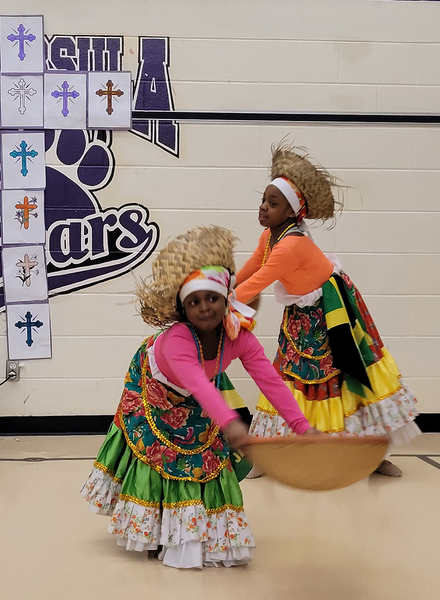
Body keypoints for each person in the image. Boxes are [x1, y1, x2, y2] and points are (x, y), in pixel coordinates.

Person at [81, 225, 319, 570]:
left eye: (212, 298)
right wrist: (233, 426)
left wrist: (302, 426)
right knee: (158, 455)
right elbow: (199, 383)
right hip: (154, 387)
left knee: (200, 456)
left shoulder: (237, 335)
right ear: (183, 308)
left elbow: (270, 380)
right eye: (193, 301)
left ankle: (190, 529)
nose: (204, 307)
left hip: (195, 394)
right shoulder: (179, 338)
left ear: (226, 299)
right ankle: (154, 529)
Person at [234, 143, 420, 477]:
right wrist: (223, 285)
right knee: (288, 374)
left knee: (348, 375)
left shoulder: (290, 246)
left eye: (272, 204)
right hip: (301, 316)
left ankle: (372, 454)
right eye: (263, 200)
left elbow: (258, 281)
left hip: (331, 313)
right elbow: (250, 268)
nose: (263, 208)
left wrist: (222, 301)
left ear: (291, 213)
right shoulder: (270, 236)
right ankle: (269, 453)